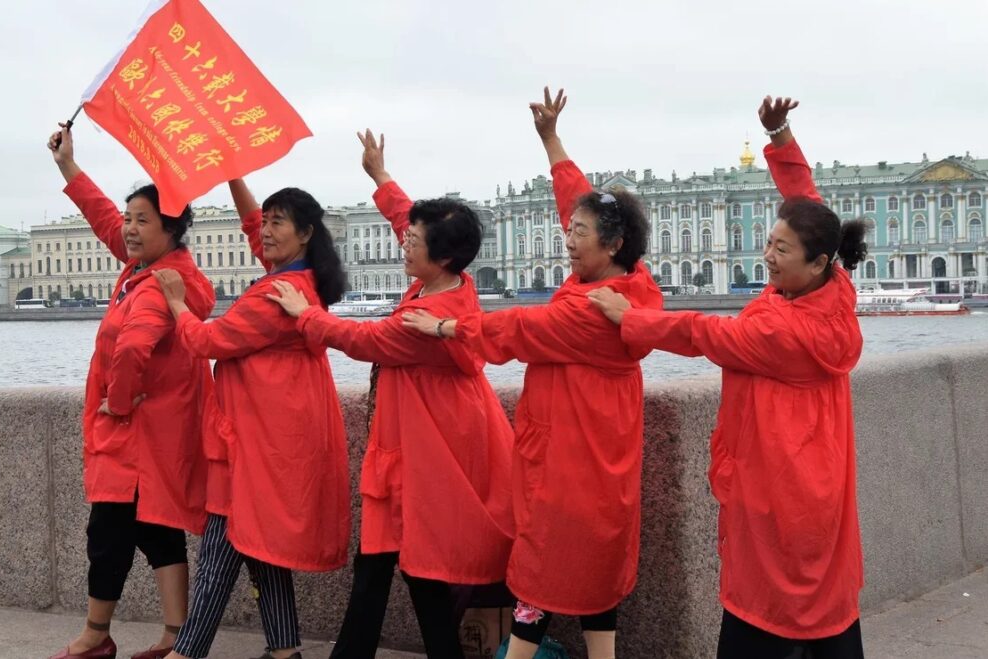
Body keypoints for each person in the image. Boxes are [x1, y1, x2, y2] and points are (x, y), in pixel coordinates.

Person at [588, 97, 867, 659]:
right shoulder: (833, 291)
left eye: (781, 249)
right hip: (821, 477)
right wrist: (781, 137)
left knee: (763, 606)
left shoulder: (783, 331)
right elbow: (809, 203)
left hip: (777, 483)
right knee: (827, 610)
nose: (768, 255)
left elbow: (704, 333)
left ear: (817, 262)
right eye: (769, 241)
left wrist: (632, 317)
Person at [402, 89, 663, 659]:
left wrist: (446, 327)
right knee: (595, 567)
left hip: (569, 457)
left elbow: (518, 329)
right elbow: (578, 199)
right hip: (603, 449)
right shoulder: (628, 281)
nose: (567, 239)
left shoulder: (590, 311)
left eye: (578, 234)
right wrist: (551, 140)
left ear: (612, 245)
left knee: (542, 568)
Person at [269, 130, 514, 659]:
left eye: (414, 241)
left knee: (399, 559)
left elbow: (364, 340)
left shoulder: (431, 316)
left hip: (431, 445)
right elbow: (407, 218)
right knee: (395, 560)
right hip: (417, 437)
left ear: (442, 257)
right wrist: (379, 175)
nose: (404, 241)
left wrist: (305, 314)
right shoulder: (447, 280)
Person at [156, 178, 350, 659]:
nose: (264, 231)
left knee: (223, 540)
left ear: (304, 233)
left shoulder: (275, 294)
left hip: (257, 437)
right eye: (265, 222)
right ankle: (285, 651)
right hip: (279, 429)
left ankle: (186, 652)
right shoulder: (302, 279)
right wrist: (234, 175)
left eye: (277, 223)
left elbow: (206, 341)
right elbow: (250, 224)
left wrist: (177, 303)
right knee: (262, 545)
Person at [46, 124, 214, 659]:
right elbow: (103, 219)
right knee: (157, 527)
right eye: (130, 218)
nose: (129, 229)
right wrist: (68, 166)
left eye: (142, 220)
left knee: (108, 532)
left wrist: (117, 405)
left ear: (171, 228)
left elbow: (134, 348)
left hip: (135, 436)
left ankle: (96, 635)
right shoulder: (153, 266)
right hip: (158, 432)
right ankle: (175, 634)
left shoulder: (154, 285)